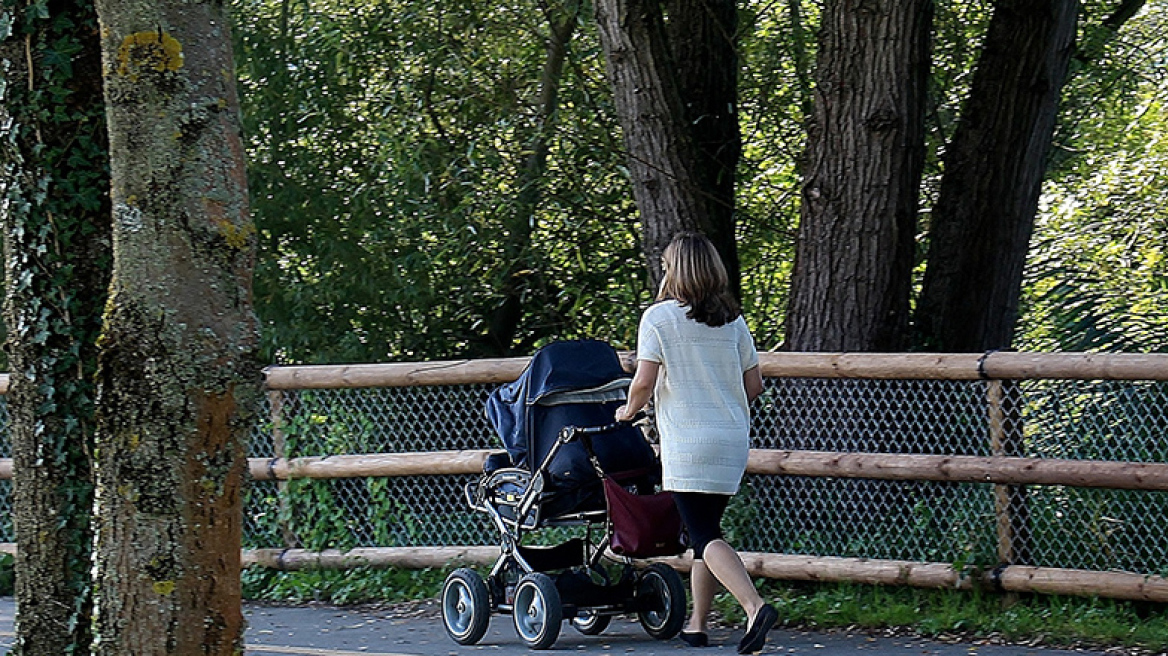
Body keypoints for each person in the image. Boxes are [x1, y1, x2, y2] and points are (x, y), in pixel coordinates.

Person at [614, 232, 777, 654]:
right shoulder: (733, 321)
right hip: (730, 441)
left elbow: (644, 382)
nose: (664, 272)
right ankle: (697, 625)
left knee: (703, 534)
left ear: (678, 270)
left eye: (667, 265)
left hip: (689, 443)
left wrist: (626, 413)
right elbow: (754, 385)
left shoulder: (659, 319)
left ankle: (754, 606)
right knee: (705, 530)